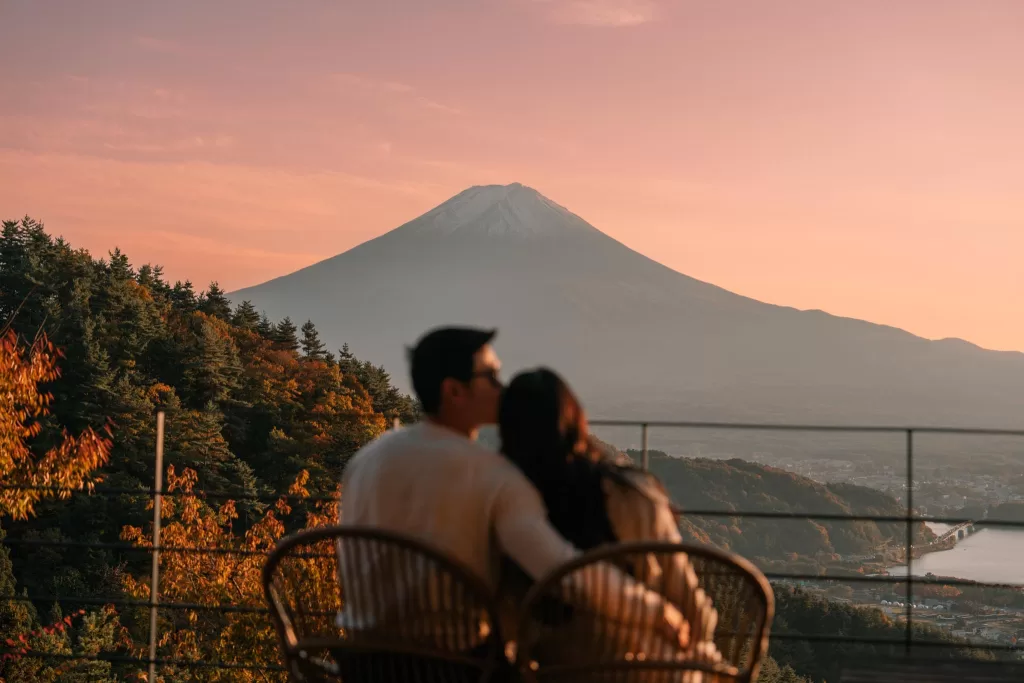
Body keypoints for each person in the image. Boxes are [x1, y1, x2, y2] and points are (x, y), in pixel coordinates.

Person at [336, 328, 690, 676]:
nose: (502, 387)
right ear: (454, 390)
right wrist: (656, 611)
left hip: (362, 666)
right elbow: (562, 573)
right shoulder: (492, 476)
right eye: (490, 376)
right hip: (453, 669)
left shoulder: (366, 459)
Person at [499, 367, 723, 677]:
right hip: (648, 671)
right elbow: (694, 612)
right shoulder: (634, 498)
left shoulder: (502, 502)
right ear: (578, 420)